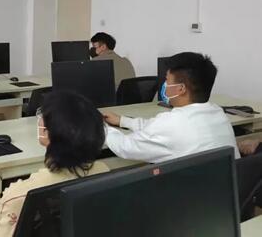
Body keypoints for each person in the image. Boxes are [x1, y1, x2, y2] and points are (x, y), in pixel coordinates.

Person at [0, 91, 109, 237]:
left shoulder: (20, 194)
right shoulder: (104, 172)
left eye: (43, 117)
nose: (40, 119)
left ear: (48, 133)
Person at [103, 52, 240, 163]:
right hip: (224, 186)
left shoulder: (172, 123)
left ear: (181, 89)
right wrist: (123, 121)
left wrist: (101, 127)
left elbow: (125, 146)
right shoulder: (218, 113)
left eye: (167, 80)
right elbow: (156, 128)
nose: (165, 85)